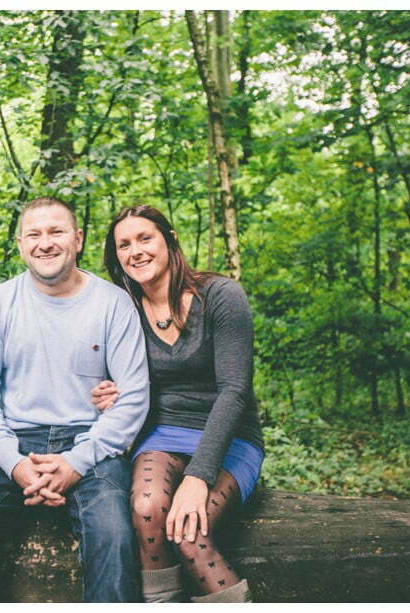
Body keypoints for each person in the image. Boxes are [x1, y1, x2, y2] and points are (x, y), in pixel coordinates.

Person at [0, 196, 151, 602]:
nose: (45, 243)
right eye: (34, 234)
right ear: (20, 244)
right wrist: (14, 462)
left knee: (113, 534)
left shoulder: (113, 304)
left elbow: (133, 398)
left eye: (57, 232)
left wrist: (75, 463)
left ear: (78, 239)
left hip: (90, 442)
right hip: (12, 440)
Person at [91, 204, 265, 603]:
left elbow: (235, 391)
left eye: (145, 238)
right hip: (162, 432)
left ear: (170, 240)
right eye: (124, 244)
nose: (135, 251)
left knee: (188, 529)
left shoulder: (220, 295)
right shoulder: (124, 311)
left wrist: (198, 477)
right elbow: (113, 378)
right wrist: (109, 392)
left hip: (229, 436)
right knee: (148, 509)